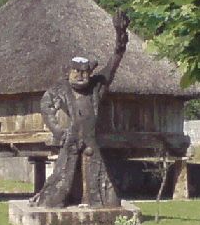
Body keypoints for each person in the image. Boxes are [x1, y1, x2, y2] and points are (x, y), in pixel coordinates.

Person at [32, 12, 129, 208]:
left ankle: (93, 201)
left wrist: (120, 37)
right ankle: (55, 200)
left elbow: (114, 62)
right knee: (61, 180)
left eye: (84, 72)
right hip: (71, 139)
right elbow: (46, 107)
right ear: (68, 72)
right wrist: (58, 130)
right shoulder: (60, 89)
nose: (80, 76)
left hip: (91, 141)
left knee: (103, 190)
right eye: (76, 72)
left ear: (90, 73)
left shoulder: (96, 88)